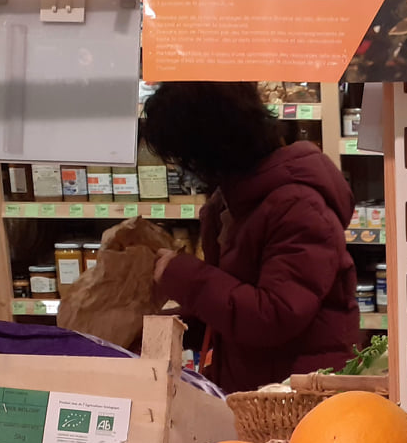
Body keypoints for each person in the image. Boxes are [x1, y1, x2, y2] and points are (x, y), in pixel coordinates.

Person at [142, 81, 360, 391]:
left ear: (214, 148)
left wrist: (184, 276)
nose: (187, 172)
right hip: (260, 385)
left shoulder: (297, 207)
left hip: (300, 396)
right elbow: (236, 300)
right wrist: (165, 325)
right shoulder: (234, 200)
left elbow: (274, 314)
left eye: (186, 159)